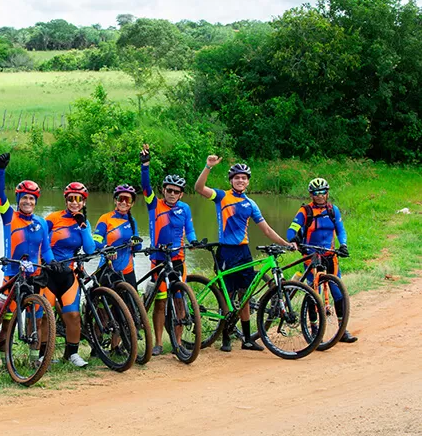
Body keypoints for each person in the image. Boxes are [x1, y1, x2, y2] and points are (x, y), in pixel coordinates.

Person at [195, 155, 296, 352]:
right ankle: (225, 336)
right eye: (237, 177)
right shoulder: (222, 196)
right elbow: (199, 188)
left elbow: (266, 229)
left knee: (245, 295)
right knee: (228, 294)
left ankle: (247, 339)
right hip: (227, 251)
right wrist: (208, 166)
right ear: (231, 180)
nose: (240, 180)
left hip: (243, 251)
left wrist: (286, 244)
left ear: (248, 181)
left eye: (244, 178)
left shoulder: (250, 204)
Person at [0, 153, 55, 365]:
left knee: (35, 319)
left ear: (35, 202)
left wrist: (53, 262)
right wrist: (1, 170)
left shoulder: (41, 222)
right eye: (24, 198)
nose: (28, 201)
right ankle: (4, 362)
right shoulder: (9, 216)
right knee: (7, 321)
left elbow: (45, 250)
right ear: (19, 200)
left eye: (32, 198)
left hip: (34, 277)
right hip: (11, 277)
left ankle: (33, 360)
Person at [140, 144, 197, 356]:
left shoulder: (185, 209)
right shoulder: (154, 204)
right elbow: (145, 186)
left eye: (177, 191)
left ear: (181, 194)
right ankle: (157, 343)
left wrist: (193, 240)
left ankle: (179, 342)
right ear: (164, 190)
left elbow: (189, 230)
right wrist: (145, 165)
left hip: (178, 259)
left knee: (180, 301)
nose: (172, 194)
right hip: (158, 260)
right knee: (161, 302)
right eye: (169, 190)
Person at [287, 178, 357, 343]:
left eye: (322, 192)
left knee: (338, 292)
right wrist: (295, 240)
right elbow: (291, 230)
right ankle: (314, 330)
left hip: (330, 256)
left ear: (327, 193)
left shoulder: (333, 210)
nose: (320, 196)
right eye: (316, 193)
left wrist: (344, 245)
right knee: (313, 294)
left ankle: (342, 330)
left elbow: (340, 230)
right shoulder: (305, 211)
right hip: (311, 257)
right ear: (311, 195)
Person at [44, 182, 96, 367]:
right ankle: (43, 356)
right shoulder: (53, 218)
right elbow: (40, 241)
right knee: (45, 314)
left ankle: (72, 354)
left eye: (78, 199)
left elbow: (89, 249)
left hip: (69, 274)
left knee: (73, 315)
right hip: (49, 273)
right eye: (71, 199)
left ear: (83, 202)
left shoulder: (84, 222)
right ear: (66, 200)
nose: (74, 203)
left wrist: (82, 225)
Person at [93, 184, 142, 289]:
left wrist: (136, 243)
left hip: (127, 270)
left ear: (132, 203)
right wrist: (106, 248)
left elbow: (138, 248)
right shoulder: (105, 218)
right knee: (98, 302)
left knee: (132, 304)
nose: (123, 202)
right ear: (115, 200)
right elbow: (96, 240)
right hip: (107, 267)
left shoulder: (132, 221)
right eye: (120, 198)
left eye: (127, 199)